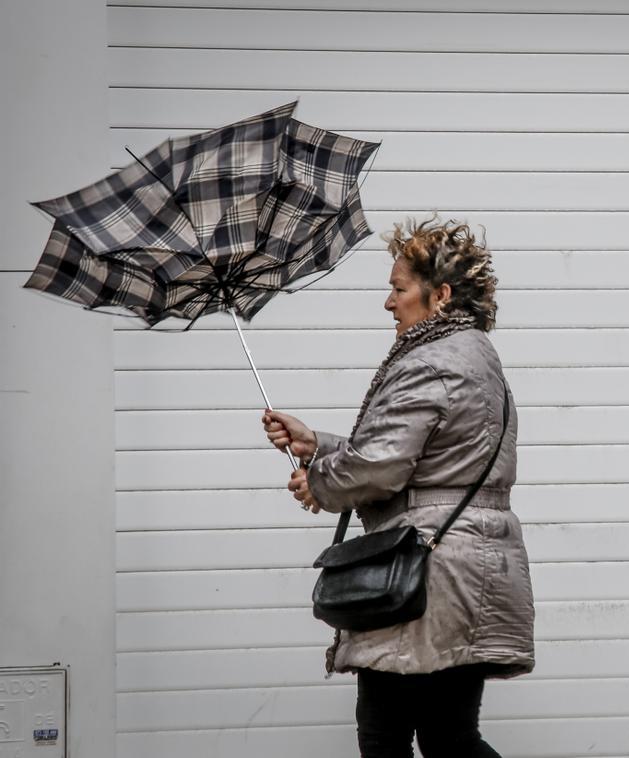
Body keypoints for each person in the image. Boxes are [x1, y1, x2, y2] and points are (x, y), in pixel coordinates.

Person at [261, 218, 534, 758]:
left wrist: (319, 482)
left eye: (398, 287)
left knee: (386, 737)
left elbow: (382, 468)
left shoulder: (430, 361)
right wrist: (317, 443)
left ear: (441, 295)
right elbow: (426, 462)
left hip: (426, 578)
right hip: (468, 569)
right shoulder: (475, 358)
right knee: (450, 737)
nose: (389, 303)